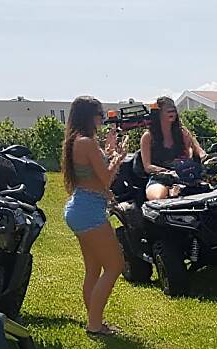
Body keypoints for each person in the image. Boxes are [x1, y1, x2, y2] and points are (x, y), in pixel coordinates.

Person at [60, 96, 127, 336]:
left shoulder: (77, 141)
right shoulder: (86, 142)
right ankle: (95, 325)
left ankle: (95, 320)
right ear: (89, 116)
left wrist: (109, 153)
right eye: (99, 114)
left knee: (94, 269)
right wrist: (119, 157)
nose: (102, 119)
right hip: (88, 211)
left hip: (81, 208)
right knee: (115, 266)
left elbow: (95, 176)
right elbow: (106, 179)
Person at [141, 96, 206, 201]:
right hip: (160, 178)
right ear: (158, 113)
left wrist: (207, 160)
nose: (172, 111)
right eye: (167, 109)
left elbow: (198, 150)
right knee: (158, 197)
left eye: (173, 108)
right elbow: (147, 167)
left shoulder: (182, 132)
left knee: (206, 190)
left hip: (185, 175)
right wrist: (167, 172)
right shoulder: (148, 136)